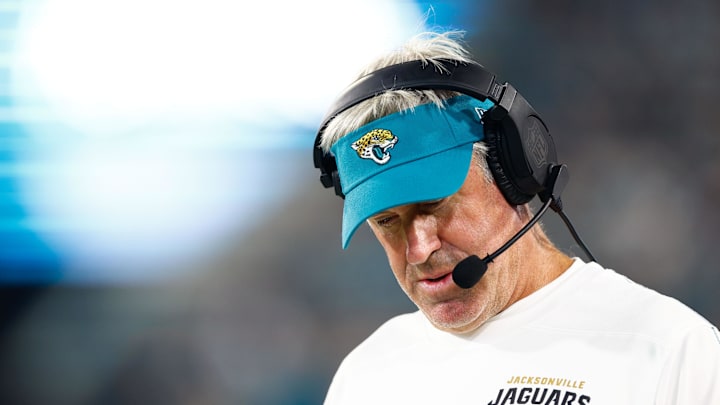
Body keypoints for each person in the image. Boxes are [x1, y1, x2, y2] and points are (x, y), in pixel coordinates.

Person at [313, 30, 720, 404]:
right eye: (387, 221)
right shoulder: (366, 376)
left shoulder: (671, 348)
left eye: (435, 205)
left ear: (512, 171)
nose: (418, 250)